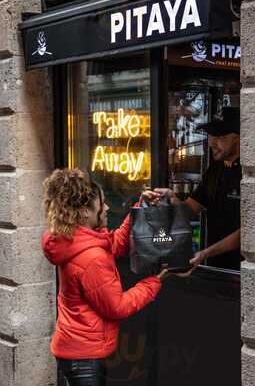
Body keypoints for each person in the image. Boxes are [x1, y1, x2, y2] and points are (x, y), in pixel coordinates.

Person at [41, 168, 168, 386]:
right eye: (102, 204)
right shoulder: (92, 258)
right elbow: (117, 307)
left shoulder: (75, 238)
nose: (107, 207)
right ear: (84, 212)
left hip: (76, 349)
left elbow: (114, 244)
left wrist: (138, 208)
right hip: (84, 357)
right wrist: (154, 281)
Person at [150, 106, 242, 272]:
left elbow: (250, 232)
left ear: (237, 138)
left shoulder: (249, 174)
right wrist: (173, 198)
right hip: (213, 266)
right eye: (211, 135)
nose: (212, 142)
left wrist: (206, 253)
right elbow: (193, 207)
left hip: (240, 270)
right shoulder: (215, 169)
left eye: (220, 136)